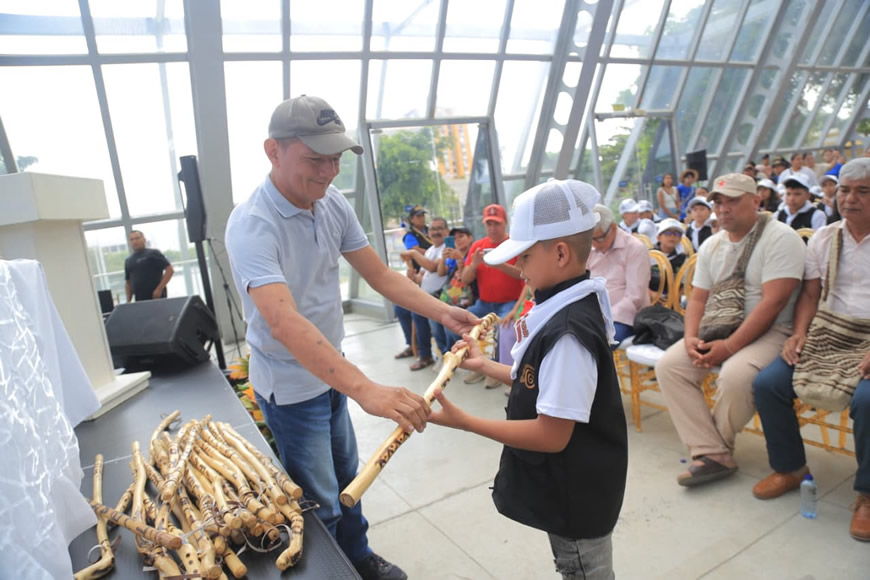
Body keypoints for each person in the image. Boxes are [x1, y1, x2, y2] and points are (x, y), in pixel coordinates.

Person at [224, 95, 478, 580]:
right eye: (314, 159)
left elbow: (380, 275)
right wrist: (366, 389)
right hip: (290, 387)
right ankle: (332, 571)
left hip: (332, 371)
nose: (329, 171)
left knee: (349, 479)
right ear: (273, 151)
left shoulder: (331, 202)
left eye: (336, 158)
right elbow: (284, 322)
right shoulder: (253, 225)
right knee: (318, 499)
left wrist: (444, 312)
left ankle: (358, 557)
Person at [429, 179, 628, 580]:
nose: (518, 267)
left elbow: (551, 435)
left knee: (582, 570)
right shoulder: (567, 306)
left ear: (560, 253)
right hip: (571, 488)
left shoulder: (568, 334)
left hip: (577, 500)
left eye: (524, 256)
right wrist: (485, 365)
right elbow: (541, 383)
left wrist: (465, 422)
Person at [654, 173, 805, 487]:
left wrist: (730, 347)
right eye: (718, 202)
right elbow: (698, 298)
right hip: (718, 324)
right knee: (670, 366)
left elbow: (774, 303)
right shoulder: (713, 244)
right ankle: (714, 452)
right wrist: (690, 337)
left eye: (732, 201)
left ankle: (713, 452)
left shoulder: (780, 237)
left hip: (774, 330)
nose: (723, 209)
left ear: (756, 201)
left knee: (736, 377)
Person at [751, 157, 870, 542]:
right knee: (768, 384)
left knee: (868, 400)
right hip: (830, 329)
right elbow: (810, 294)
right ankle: (790, 468)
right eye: (845, 190)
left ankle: (868, 495)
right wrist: (799, 333)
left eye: (863, 191)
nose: (849, 199)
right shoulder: (825, 237)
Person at [460, 204, 525, 385]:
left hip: (509, 301)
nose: (492, 228)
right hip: (484, 303)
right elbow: (465, 279)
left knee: (503, 328)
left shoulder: (515, 245)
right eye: (489, 224)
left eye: (496, 223)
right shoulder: (478, 246)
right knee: (463, 321)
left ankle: (497, 371)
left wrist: (499, 264)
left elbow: (524, 275)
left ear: (505, 223)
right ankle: (479, 366)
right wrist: (474, 264)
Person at [588, 204, 651, 344]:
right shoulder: (590, 248)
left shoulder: (635, 249)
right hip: (594, 314)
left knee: (595, 343)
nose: (595, 244)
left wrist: (606, 317)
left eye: (599, 239)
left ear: (614, 227)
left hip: (624, 317)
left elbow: (635, 297)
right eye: (591, 239)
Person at [400, 216, 451, 370]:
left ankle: (445, 356)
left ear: (447, 231)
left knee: (434, 325)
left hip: (441, 296)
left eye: (439, 228)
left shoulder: (448, 248)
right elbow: (421, 276)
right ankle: (425, 355)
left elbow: (432, 267)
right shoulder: (430, 250)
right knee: (409, 310)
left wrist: (414, 253)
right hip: (426, 295)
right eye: (432, 229)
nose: (435, 232)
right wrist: (413, 277)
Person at [393, 205, 432, 360]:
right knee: (401, 308)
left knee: (417, 311)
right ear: (412, 219)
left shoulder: (431, 230)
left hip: (434, 275)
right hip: (419, 275)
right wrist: (433, 250)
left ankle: (424, 352)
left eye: (423, 215)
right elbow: (415, 251)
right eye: (418, 216)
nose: (422, 218)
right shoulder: (411, 235)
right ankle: (412, 344)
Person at [124, 230, 174, 302]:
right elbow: (128, 282)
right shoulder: (128, 260)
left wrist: (159, 289)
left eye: (137, 238)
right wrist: (128, 301)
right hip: (139, 299)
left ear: (144, 240)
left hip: (156, 297)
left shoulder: (153, 253)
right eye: (132, 239)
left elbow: (169, 270)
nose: (135, 241)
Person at [649, 218, 688, 298]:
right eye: (668, 233)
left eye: (677, 234)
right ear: (659, 237)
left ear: (680, 239)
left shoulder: (683, 259)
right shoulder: (649, 255)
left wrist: (673, 299)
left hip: (673, 300)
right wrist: (652, 294)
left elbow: (685, 284)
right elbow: (638, 281)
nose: (672, 236)